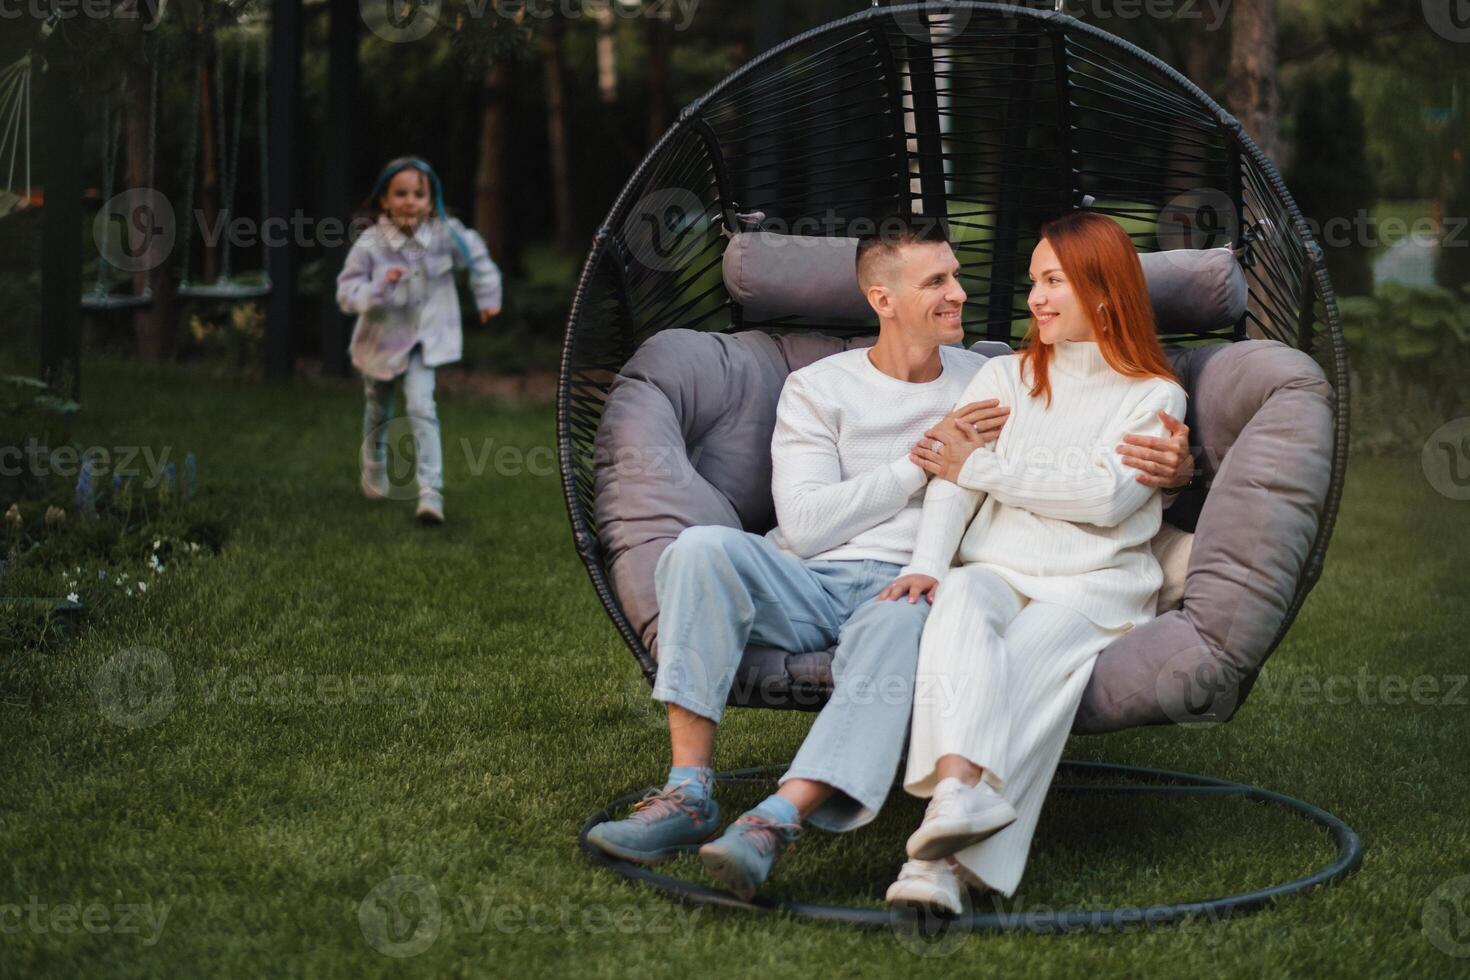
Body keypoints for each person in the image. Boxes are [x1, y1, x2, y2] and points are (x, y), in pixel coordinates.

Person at [584, 215, 1194, 902]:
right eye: (937, 281)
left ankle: (777, 818)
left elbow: (1081, 435)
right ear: (883, 300)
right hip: (812, 575)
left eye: (957, 275)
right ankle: (688, 791)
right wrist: (920, 461)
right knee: (697, 550)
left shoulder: (987, 371)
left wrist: (1174, 471)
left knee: (908, 619)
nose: (960, 294)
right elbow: (809, 526)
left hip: (914, 585)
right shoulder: (820, 387)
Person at [879, 211, 1188, 913]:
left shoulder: (1154, 397)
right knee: (955, 607)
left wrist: (985, 464)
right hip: (994, 567)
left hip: (1093, 589)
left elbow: (1106, 499)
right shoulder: (1004, 374)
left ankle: (940, 868)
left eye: (1054, 282)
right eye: (1033, 283)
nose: (1036, 300)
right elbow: (950, 480)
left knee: (1020, 666)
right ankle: (956, 792)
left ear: (1105, 292)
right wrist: (931, 563)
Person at [336, 156, 502, 524]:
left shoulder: (446, 235)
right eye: (401, 194)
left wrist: (488, 297)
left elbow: (478, 258)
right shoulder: (371, 244)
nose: (410, 201)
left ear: (431, 200)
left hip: (424, 341)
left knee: (422, 406)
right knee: (379, 407)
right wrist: (379, 285)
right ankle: (373, 463)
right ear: (384, 200)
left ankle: (431, 493)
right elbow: (347, 294)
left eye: (418, 194)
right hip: (381, 340)